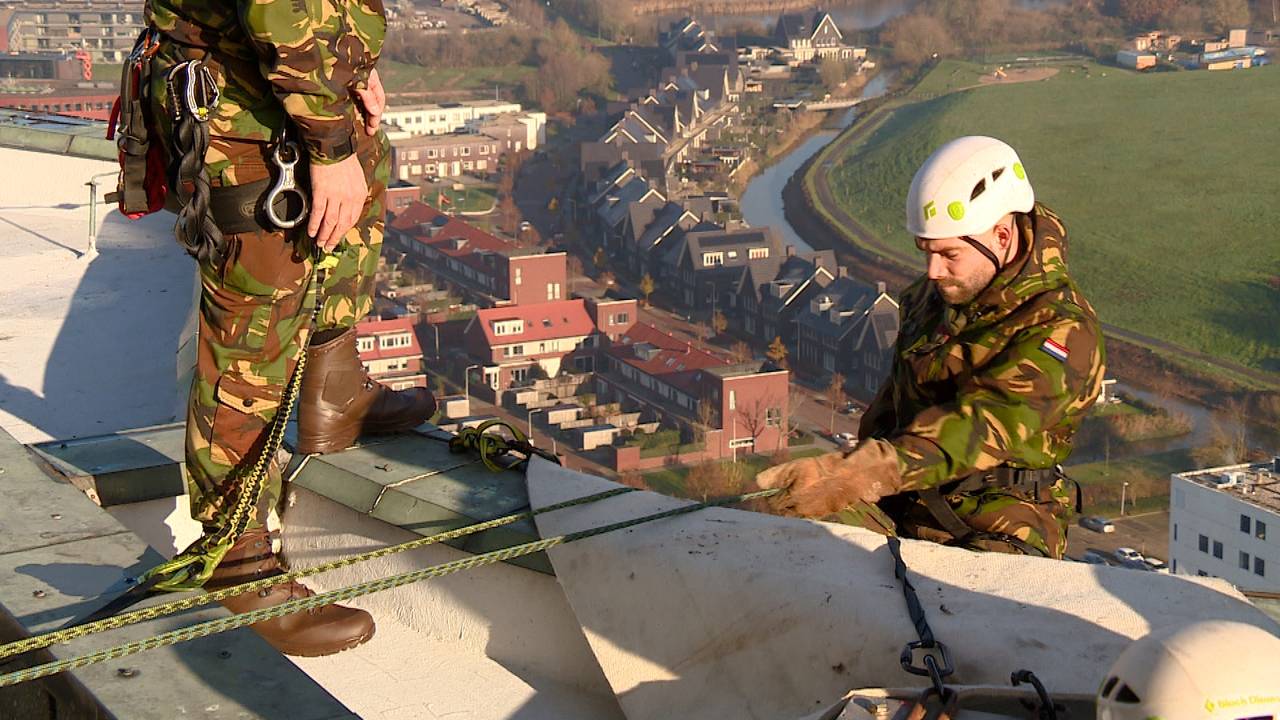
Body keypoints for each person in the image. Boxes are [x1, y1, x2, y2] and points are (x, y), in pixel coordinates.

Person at [142, 0, 436, 655]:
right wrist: (326, 144)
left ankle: (332, 394)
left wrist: (353, 72)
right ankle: (235, 559)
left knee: (360, 182)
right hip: (239, 98)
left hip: (283, 75)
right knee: (255, 316)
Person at [758, 136, 1104, 559]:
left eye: (948, 254)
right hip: (908, 500)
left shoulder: (1063, 332)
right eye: (925, 253)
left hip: (1003, 521)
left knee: (965, 615)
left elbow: (980, 425)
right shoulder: (934, 296)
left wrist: (857, 474)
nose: (932, 271)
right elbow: (896, 402)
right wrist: (845, 475)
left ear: (1001, 235)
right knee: (777, 545)